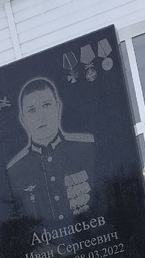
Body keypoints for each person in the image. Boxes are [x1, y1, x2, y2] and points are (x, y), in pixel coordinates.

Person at [6, 77, 96, 224]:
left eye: (46, 105)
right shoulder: (15, 170)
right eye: (32, 110)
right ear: (23, 119)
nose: (40, 116)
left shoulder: (86, 148)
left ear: (57, 107)